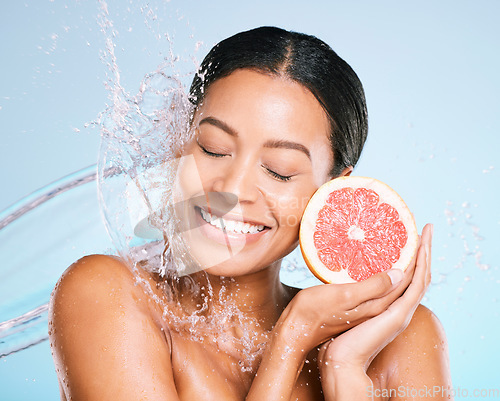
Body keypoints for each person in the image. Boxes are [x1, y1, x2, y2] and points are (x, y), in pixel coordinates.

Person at [49, 26, 451, 400]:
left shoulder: (400, 340)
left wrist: (344, 372)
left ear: (336, 192)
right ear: (179, 143)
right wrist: (291, 339)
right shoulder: (106, 294)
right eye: (212, 148)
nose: (232, 189)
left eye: (279, 170)